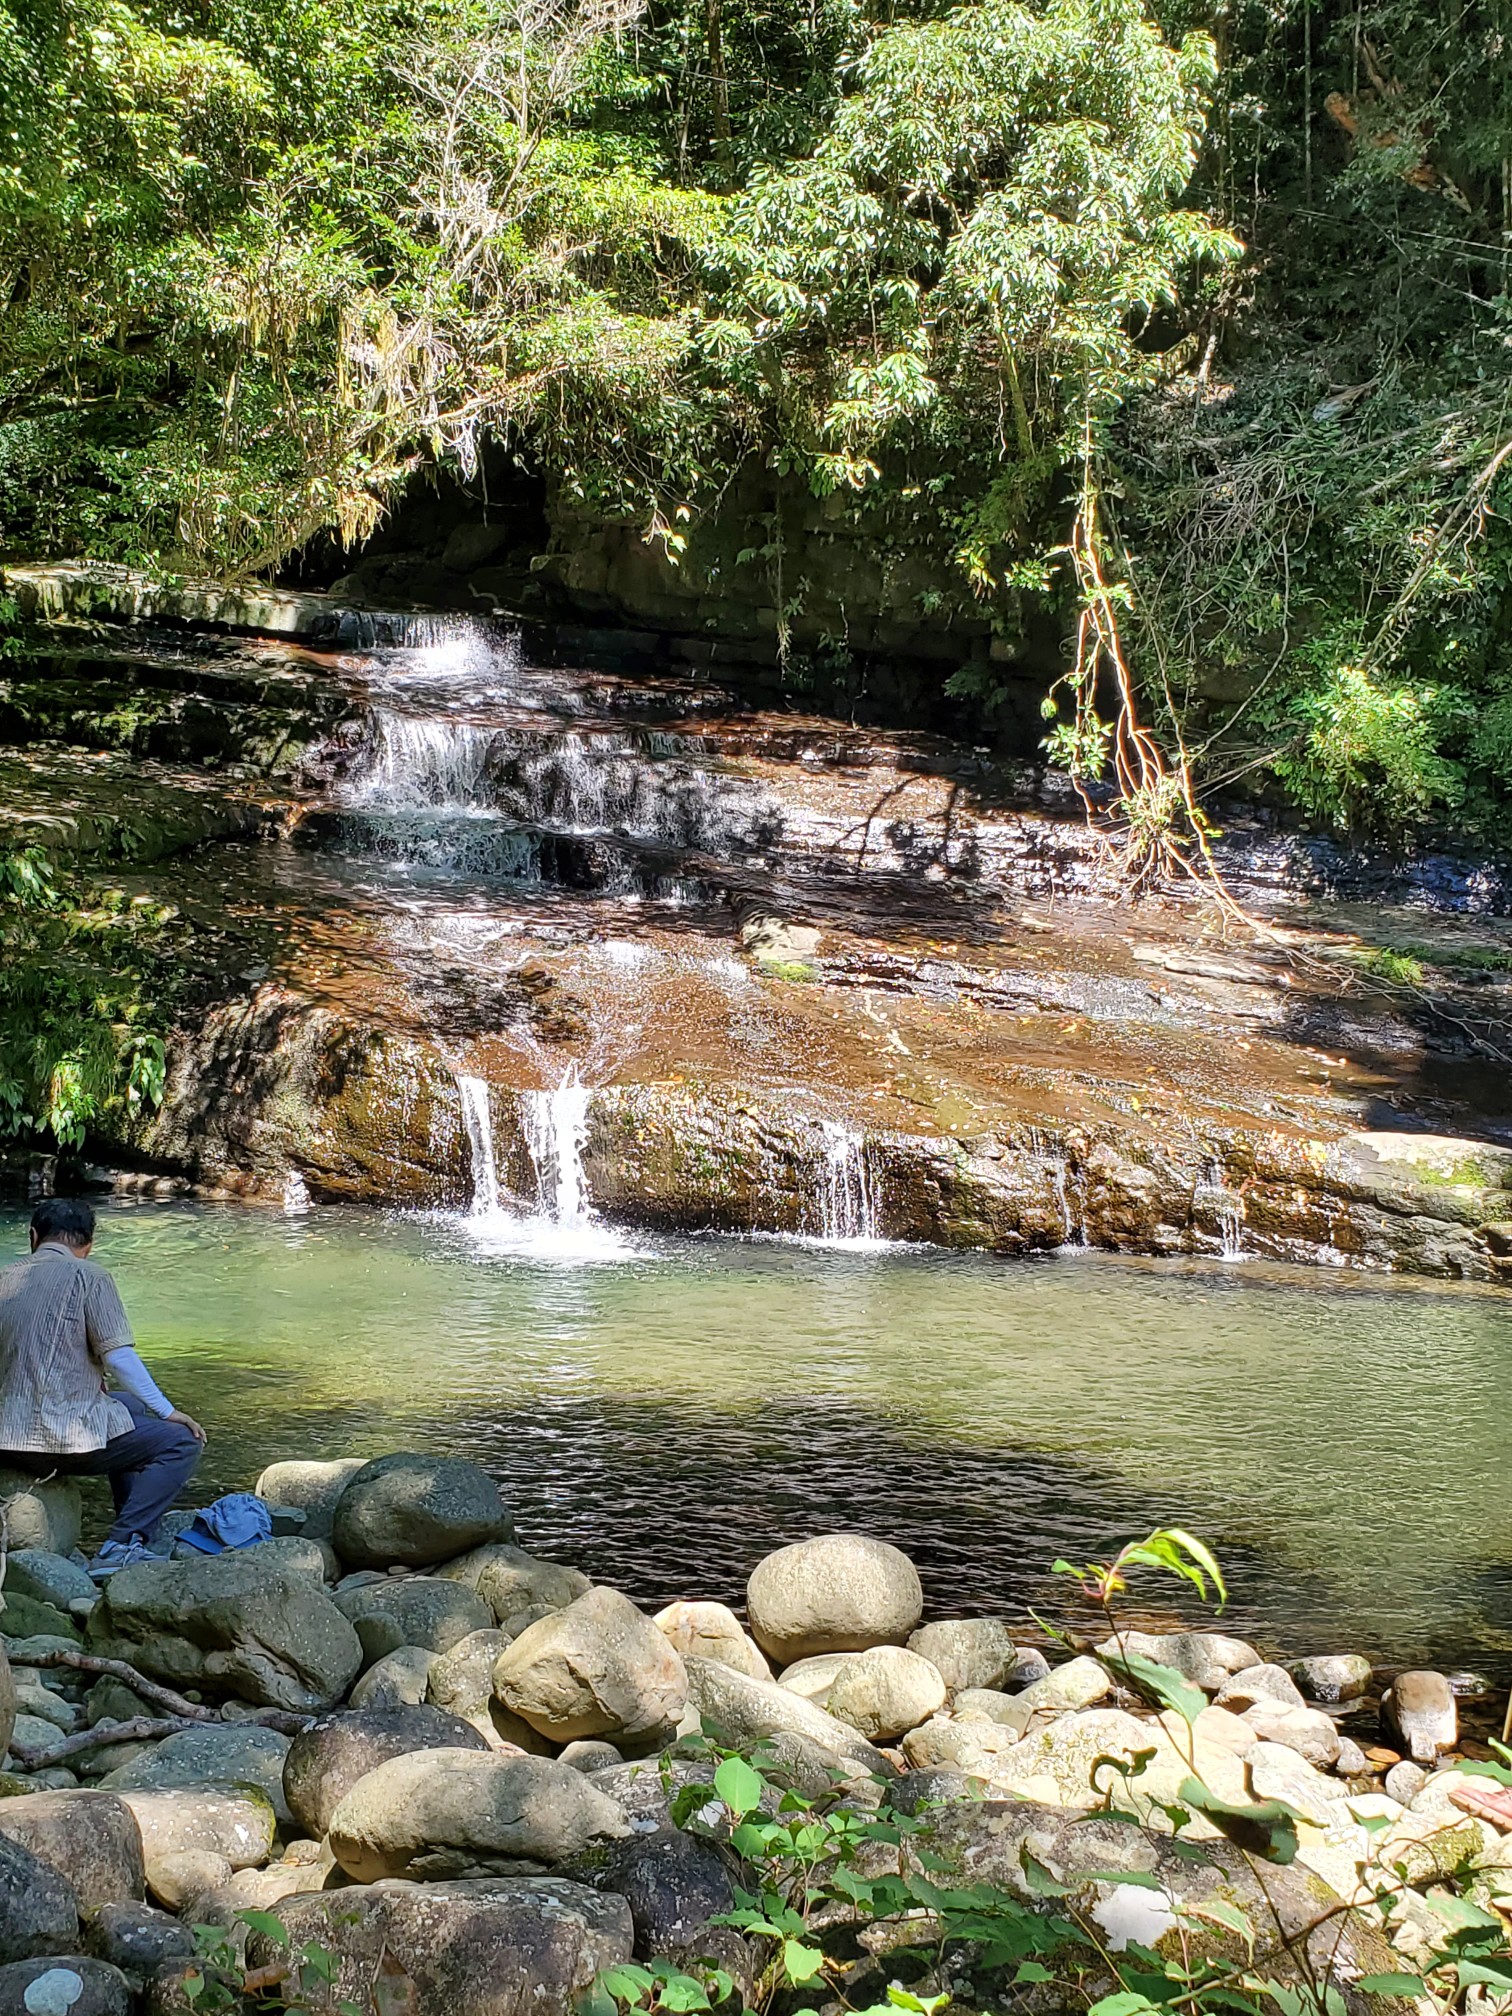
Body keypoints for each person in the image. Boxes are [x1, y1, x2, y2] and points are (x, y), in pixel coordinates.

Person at [0, 1197, 206, 1578]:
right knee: (181, 1441)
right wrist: (169, 1411)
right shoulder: (90, 1277)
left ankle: (132, 1529)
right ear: (88, 1245)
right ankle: (122, 1544)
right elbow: (119, 1358)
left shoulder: (5, 1279)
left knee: (129, 1405)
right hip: (59, 1445)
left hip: (5, 1440)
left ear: (33, 1237)